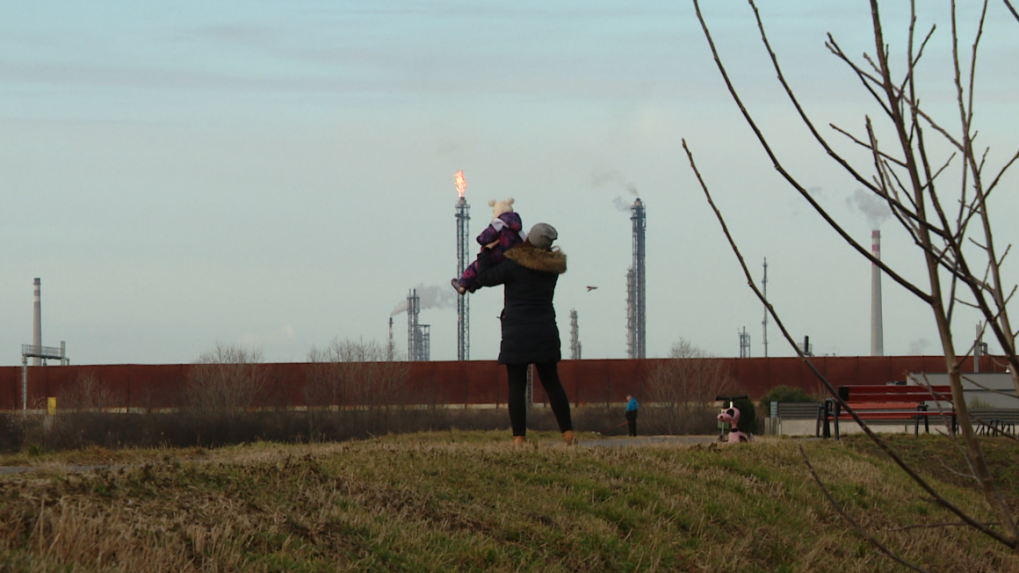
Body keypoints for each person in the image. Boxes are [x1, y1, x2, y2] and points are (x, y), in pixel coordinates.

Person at [476, 222, 574, 446]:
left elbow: (484, 278)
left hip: (517, 333)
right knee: (552, 384)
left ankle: (519, 438)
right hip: (545, 331)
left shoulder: (514, 265)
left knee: (517, 387)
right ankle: (568, 434)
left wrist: (486, 252)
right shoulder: (551, 269)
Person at [451, 198, 526, 295]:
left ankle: (463, 284)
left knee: (477, 266)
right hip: (510, 259)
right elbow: (524, 241)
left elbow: (486, 237)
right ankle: (472, 286)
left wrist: (481, 240)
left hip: (497, 254)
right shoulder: (518, 229)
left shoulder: (499, 223)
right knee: (488, 272)